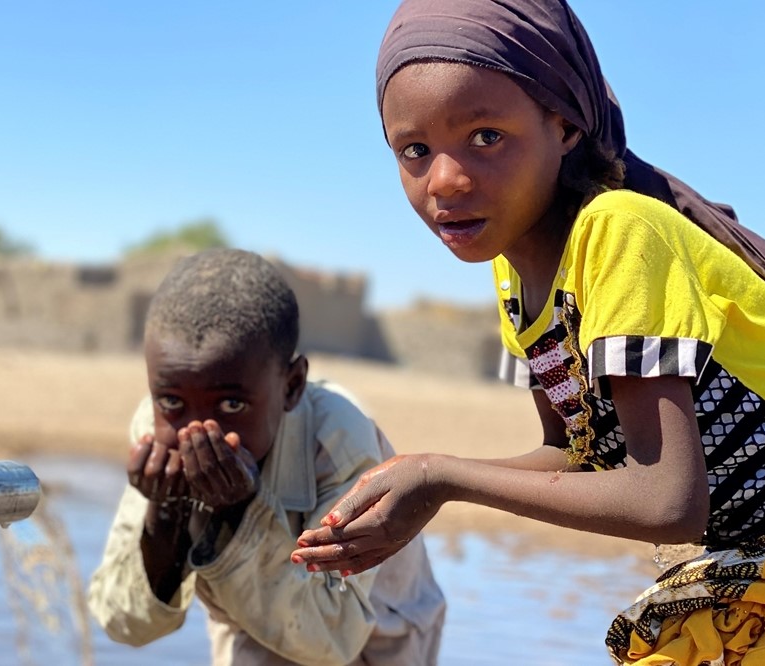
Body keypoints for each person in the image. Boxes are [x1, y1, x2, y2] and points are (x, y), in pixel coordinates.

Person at [290, 1, 765, 664]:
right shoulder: (517, 281)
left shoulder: (617, 232)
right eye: (415, 151)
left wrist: (441, 476)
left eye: (485, 136)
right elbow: (574, 454)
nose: (446, 181)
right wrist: (417, 484)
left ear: (564, 125)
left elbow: (666, 501)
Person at [87, 248, 445, 666]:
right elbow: (123, 621)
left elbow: (332, 637)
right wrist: (164, 515)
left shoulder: (339, 441)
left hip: (380, 640)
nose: (199, 433)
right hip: (251, 622)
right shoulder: (156, 434)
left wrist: (238, 509)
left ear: (291, 386)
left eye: (232, 406)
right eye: (170, 401)